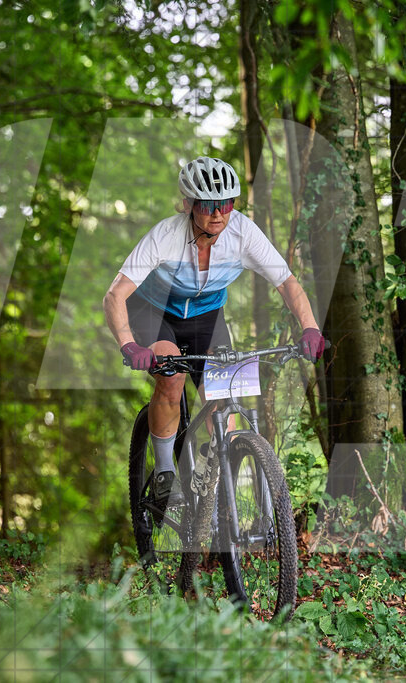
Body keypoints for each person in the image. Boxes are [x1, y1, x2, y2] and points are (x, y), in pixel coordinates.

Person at [103, 156, 325, 502]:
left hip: (207, 319)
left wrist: (310, 328)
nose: (218, 213)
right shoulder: (164, 236)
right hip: (155, 313)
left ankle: (216, 487)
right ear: (190, 205)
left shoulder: (243, 232)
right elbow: (115, 295)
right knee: (172, 376)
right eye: (208, 205)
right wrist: (129, 345)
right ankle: (164, 472)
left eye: (226, 204)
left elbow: (286, 282)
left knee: (224, 395)